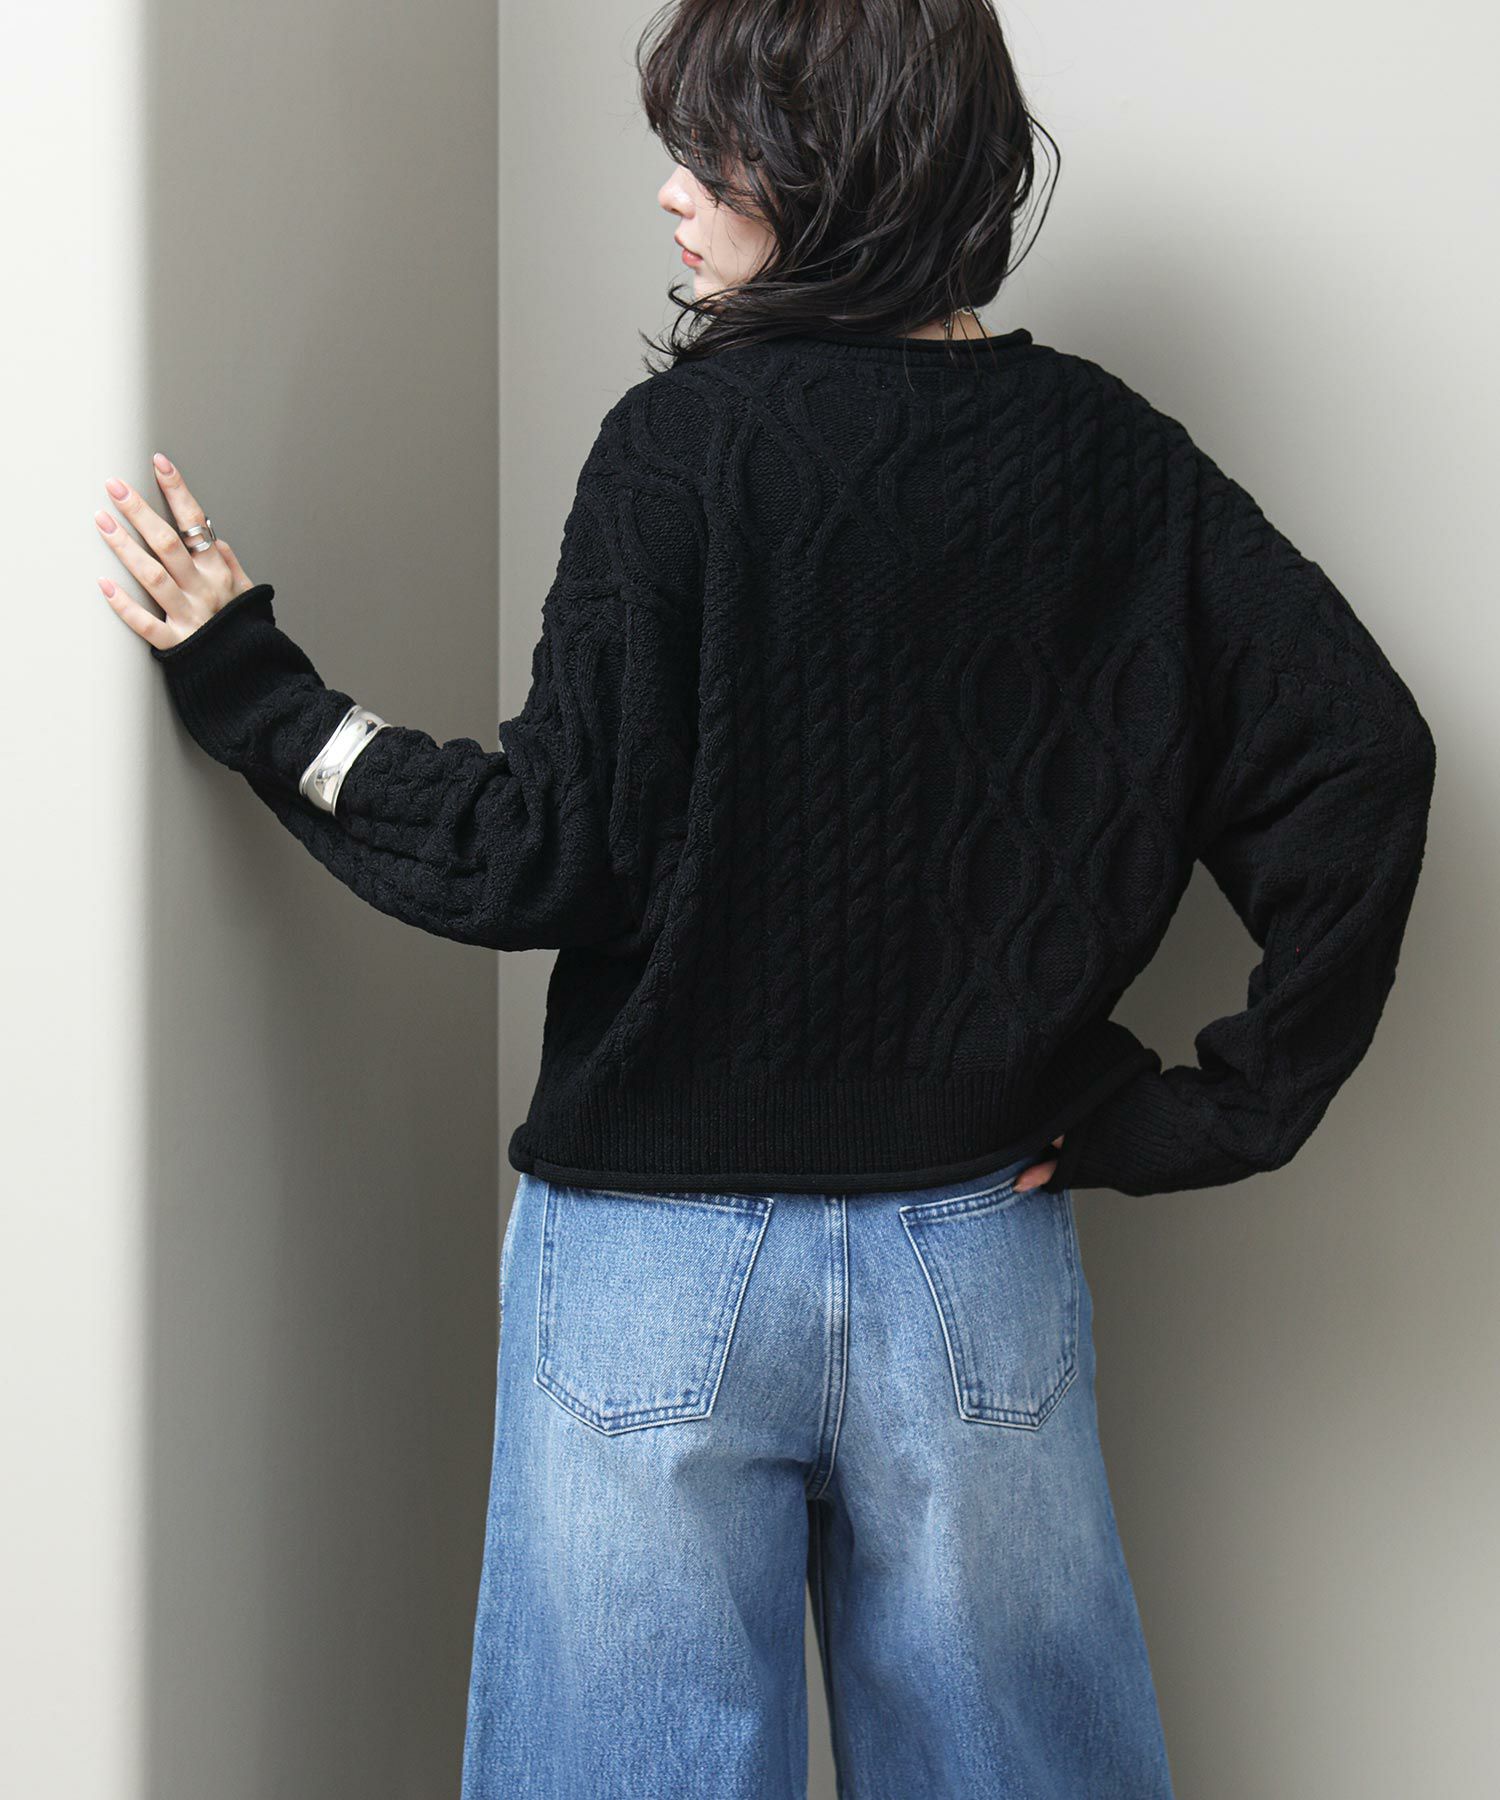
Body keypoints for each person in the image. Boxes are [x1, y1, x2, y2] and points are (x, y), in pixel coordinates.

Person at [94, 2, 1437, 1794]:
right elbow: (1361, 761)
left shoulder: (683, 449)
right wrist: (1203, 1114)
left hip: (653, 1268)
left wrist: (263, 697)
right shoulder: (1112, 459)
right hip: (973, 1246)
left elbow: (537, 854)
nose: (669, 194)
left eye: (710, 152)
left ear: (835, 165)